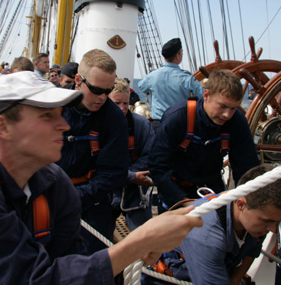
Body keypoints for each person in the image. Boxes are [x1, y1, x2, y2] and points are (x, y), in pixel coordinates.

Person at [0, 71, 203, 284]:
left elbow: (70, 263)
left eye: (60, 114)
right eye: (46, 117)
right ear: (3, 126)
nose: (64, 124)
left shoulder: (53, 183)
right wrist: (137, 245)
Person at [145, 164, 281, 285]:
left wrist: (235, 280)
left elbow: (252, 250)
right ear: (241, 204)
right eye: (267, 222)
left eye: (277, 222)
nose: (273, 230)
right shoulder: (206, 236)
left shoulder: (257, 221)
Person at [149, 69, 260, 212]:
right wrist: (181, 201)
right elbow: (157, 165)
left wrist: (248, 204)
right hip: (176, 193)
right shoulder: (177, 118)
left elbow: (247, 167)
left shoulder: (237, 122)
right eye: (223, 106)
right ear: (206, 95)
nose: (227, 115)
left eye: (233, 108)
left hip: (212, 192)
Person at [56, 49, 129, 255]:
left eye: (109, 90)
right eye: (97, 90)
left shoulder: (114, 119)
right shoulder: (53, 105)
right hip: (48, 195)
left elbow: (115, 173)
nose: (103, 97)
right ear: (78, 79)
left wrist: (73, 197)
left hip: (92, 203)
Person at [109, 77, 155, 230]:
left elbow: (150, 155)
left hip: (135, 189)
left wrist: (130, 175)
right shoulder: (99, 125)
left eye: (125, 103)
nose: (122, 108)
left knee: (143, 236)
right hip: (105, 188)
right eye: (116, 103)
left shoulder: (141, 125)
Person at [138, 38, 204, 131]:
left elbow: (141, 86)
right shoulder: (187, 78)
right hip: (180, 123)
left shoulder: (153, 75)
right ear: (178, 56)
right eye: (181, 53)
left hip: (158, 124)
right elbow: (202, 97)